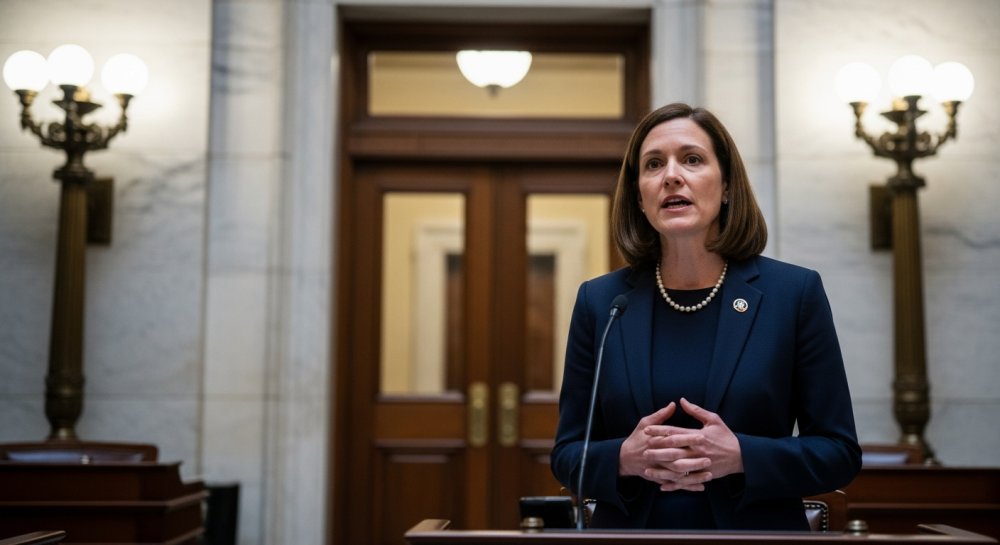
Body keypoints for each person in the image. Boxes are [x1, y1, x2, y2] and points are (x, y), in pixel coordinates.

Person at [550, 103, 861, 531]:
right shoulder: (602, 301)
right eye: (653, 164)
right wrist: (624, 458)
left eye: (692, 159)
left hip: (755, 543)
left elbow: (839, 452)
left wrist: (741, 456)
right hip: (630, 542)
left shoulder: (792, 294)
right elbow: (567, 455)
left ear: (727, 186)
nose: (671, 176)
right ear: (639, 197)